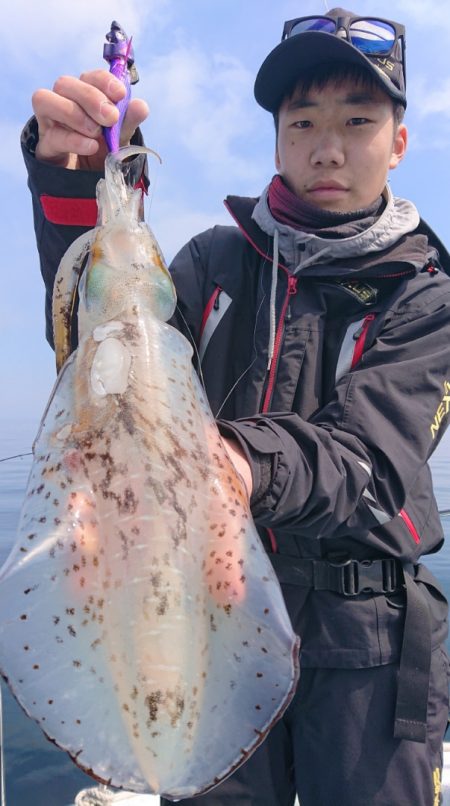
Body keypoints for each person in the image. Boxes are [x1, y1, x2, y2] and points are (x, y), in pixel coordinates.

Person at [22, 8, 450, 806]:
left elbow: (372, 456)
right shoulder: (212, 263)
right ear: (278, 138)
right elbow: (107, 350)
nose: (327, 145)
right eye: (303, 121)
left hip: (369, 648)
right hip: (208, 616)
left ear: (398, 140)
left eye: (358, 121)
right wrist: (76, 181)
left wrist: (232, 462)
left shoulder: (427, 298)